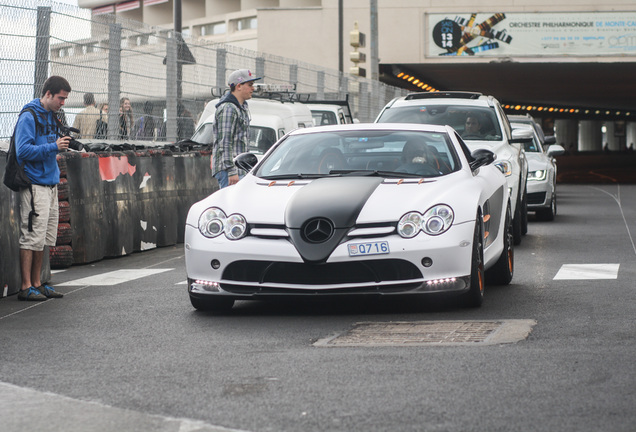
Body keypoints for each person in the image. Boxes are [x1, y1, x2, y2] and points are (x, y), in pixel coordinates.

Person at [14, 76, 71, 301]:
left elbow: (48, 146)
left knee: (44, 237)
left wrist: (63, 144)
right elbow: (22, 151)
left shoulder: (52, 116)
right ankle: (25, 286)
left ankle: (37, 283)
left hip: (50, 183)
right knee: (31, 236)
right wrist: (53, 146)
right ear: (48, 94)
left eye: (65, 99)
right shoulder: (29, 115)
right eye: (60, 98)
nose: (63, 103)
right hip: (34, 184)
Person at [210, 69, 261, 188]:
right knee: (230, 205)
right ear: (238, 86)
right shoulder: (229, 108)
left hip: (239, 170)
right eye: (250, 85)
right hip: (230, 172)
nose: (253, 88)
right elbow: (225, 142)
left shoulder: (240, 107)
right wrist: (231, 171)